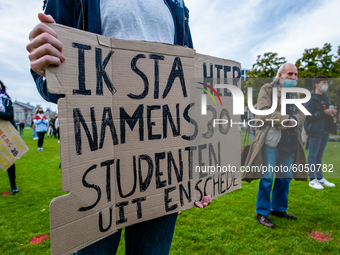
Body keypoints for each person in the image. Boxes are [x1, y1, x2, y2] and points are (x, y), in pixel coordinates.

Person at [27, 1, 210, 254]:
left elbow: (187, 85)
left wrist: (196, 166)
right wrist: (44, 64)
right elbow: (49, 79)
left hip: (164, 167)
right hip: (99, 162)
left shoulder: (176, 4)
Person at [242, 63, 307, 228]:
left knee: (285, 178)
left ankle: (278, 209)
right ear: (280, 74)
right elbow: (263, 110)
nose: (293, 77)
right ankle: (262, 213)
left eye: (295, 74)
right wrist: (284, 119)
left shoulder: (296, 94)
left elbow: (302, 114)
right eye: (290, 74)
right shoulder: (267, 89)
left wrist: (292, 121)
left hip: (290, 140)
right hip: (271, 140)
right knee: (267, 178)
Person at [303, 75, 337, 189]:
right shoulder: (310, 98)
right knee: (313, 155)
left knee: (319, 156)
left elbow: (326, 112)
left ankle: (320, 177)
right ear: (317, 84)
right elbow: (307, 116)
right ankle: (312, 179)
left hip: (325, 130)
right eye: (324, 82)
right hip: (315, 131)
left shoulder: (325, 97)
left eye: (327, 82)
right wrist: (324, 113)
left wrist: (332, 112)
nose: (326, 84)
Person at [0, 81, 19, 194]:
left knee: (9, 161)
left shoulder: (5, 99)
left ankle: (13, 185)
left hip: (4, 133)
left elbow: (9, 115)